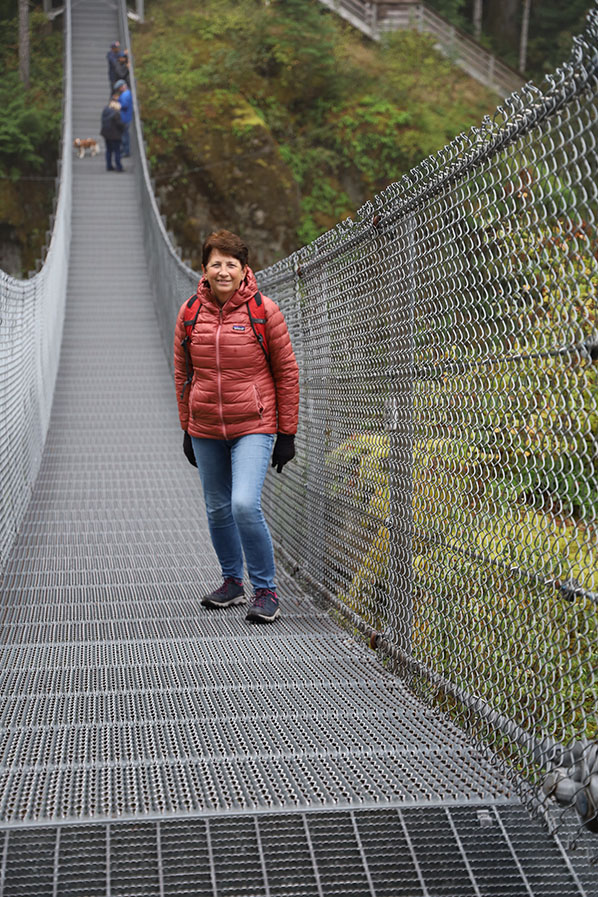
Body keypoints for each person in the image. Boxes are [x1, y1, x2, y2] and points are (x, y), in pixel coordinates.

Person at [173, 230, 299, 624]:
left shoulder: (265, 311)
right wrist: (186, 427)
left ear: (244, 269)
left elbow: (287, 374)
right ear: (204, 269)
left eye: (231, 264)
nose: (223, 271)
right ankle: (232, 582)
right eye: (216, 264)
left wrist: (287, 434)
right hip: (206, 425)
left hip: (254, 425)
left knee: (244, 503)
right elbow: (182, 374)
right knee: (217, 508)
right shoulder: (190, 312)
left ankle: (265, 590)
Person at [100, 96, 124, 172]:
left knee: (109, 150)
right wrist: (124, 127)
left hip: (107, 134)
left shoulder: (105, 111)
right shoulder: (116, 113)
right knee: (117, 151)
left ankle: (109, 165)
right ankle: (118, 166)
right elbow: (120, 124)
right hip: (115, 135)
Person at [114, 79, 132, 157]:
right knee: (124, 135)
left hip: (125, 118)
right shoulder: (127, 93)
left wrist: (117, 105)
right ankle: (124, 150)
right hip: (126, 117)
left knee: (124, 136)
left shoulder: (125, 94)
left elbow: (124, 105)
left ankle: (126, 151)